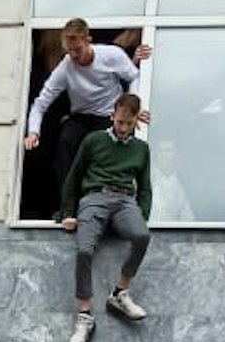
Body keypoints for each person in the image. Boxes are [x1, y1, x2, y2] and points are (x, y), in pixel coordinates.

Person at [25, 17, 151, 216]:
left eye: (78, 50)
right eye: (69, 51)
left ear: (88, 40)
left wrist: (135, 106)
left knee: (105, 152)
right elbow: (41, 103)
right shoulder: (66, 67)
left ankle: (110, 207)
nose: (74, 56)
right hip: (82, 117)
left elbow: (133, 76)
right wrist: (33, 132)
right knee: (65, 143)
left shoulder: (111, 55)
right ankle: (68, 207)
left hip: (109, 116)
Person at [61, 92, 152, 342]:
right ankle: (85, 315)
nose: (122, 127)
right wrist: (67, 211)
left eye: (127, 123)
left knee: (142, 236)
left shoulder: (141, 148)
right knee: (84, 250)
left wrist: (141, 216)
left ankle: (119, 293)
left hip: (125, 201)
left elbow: (145, 187)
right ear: (113, 115)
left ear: (136, 120)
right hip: (94, 198)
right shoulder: (94, 140)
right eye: (119, 121)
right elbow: (75, 175)